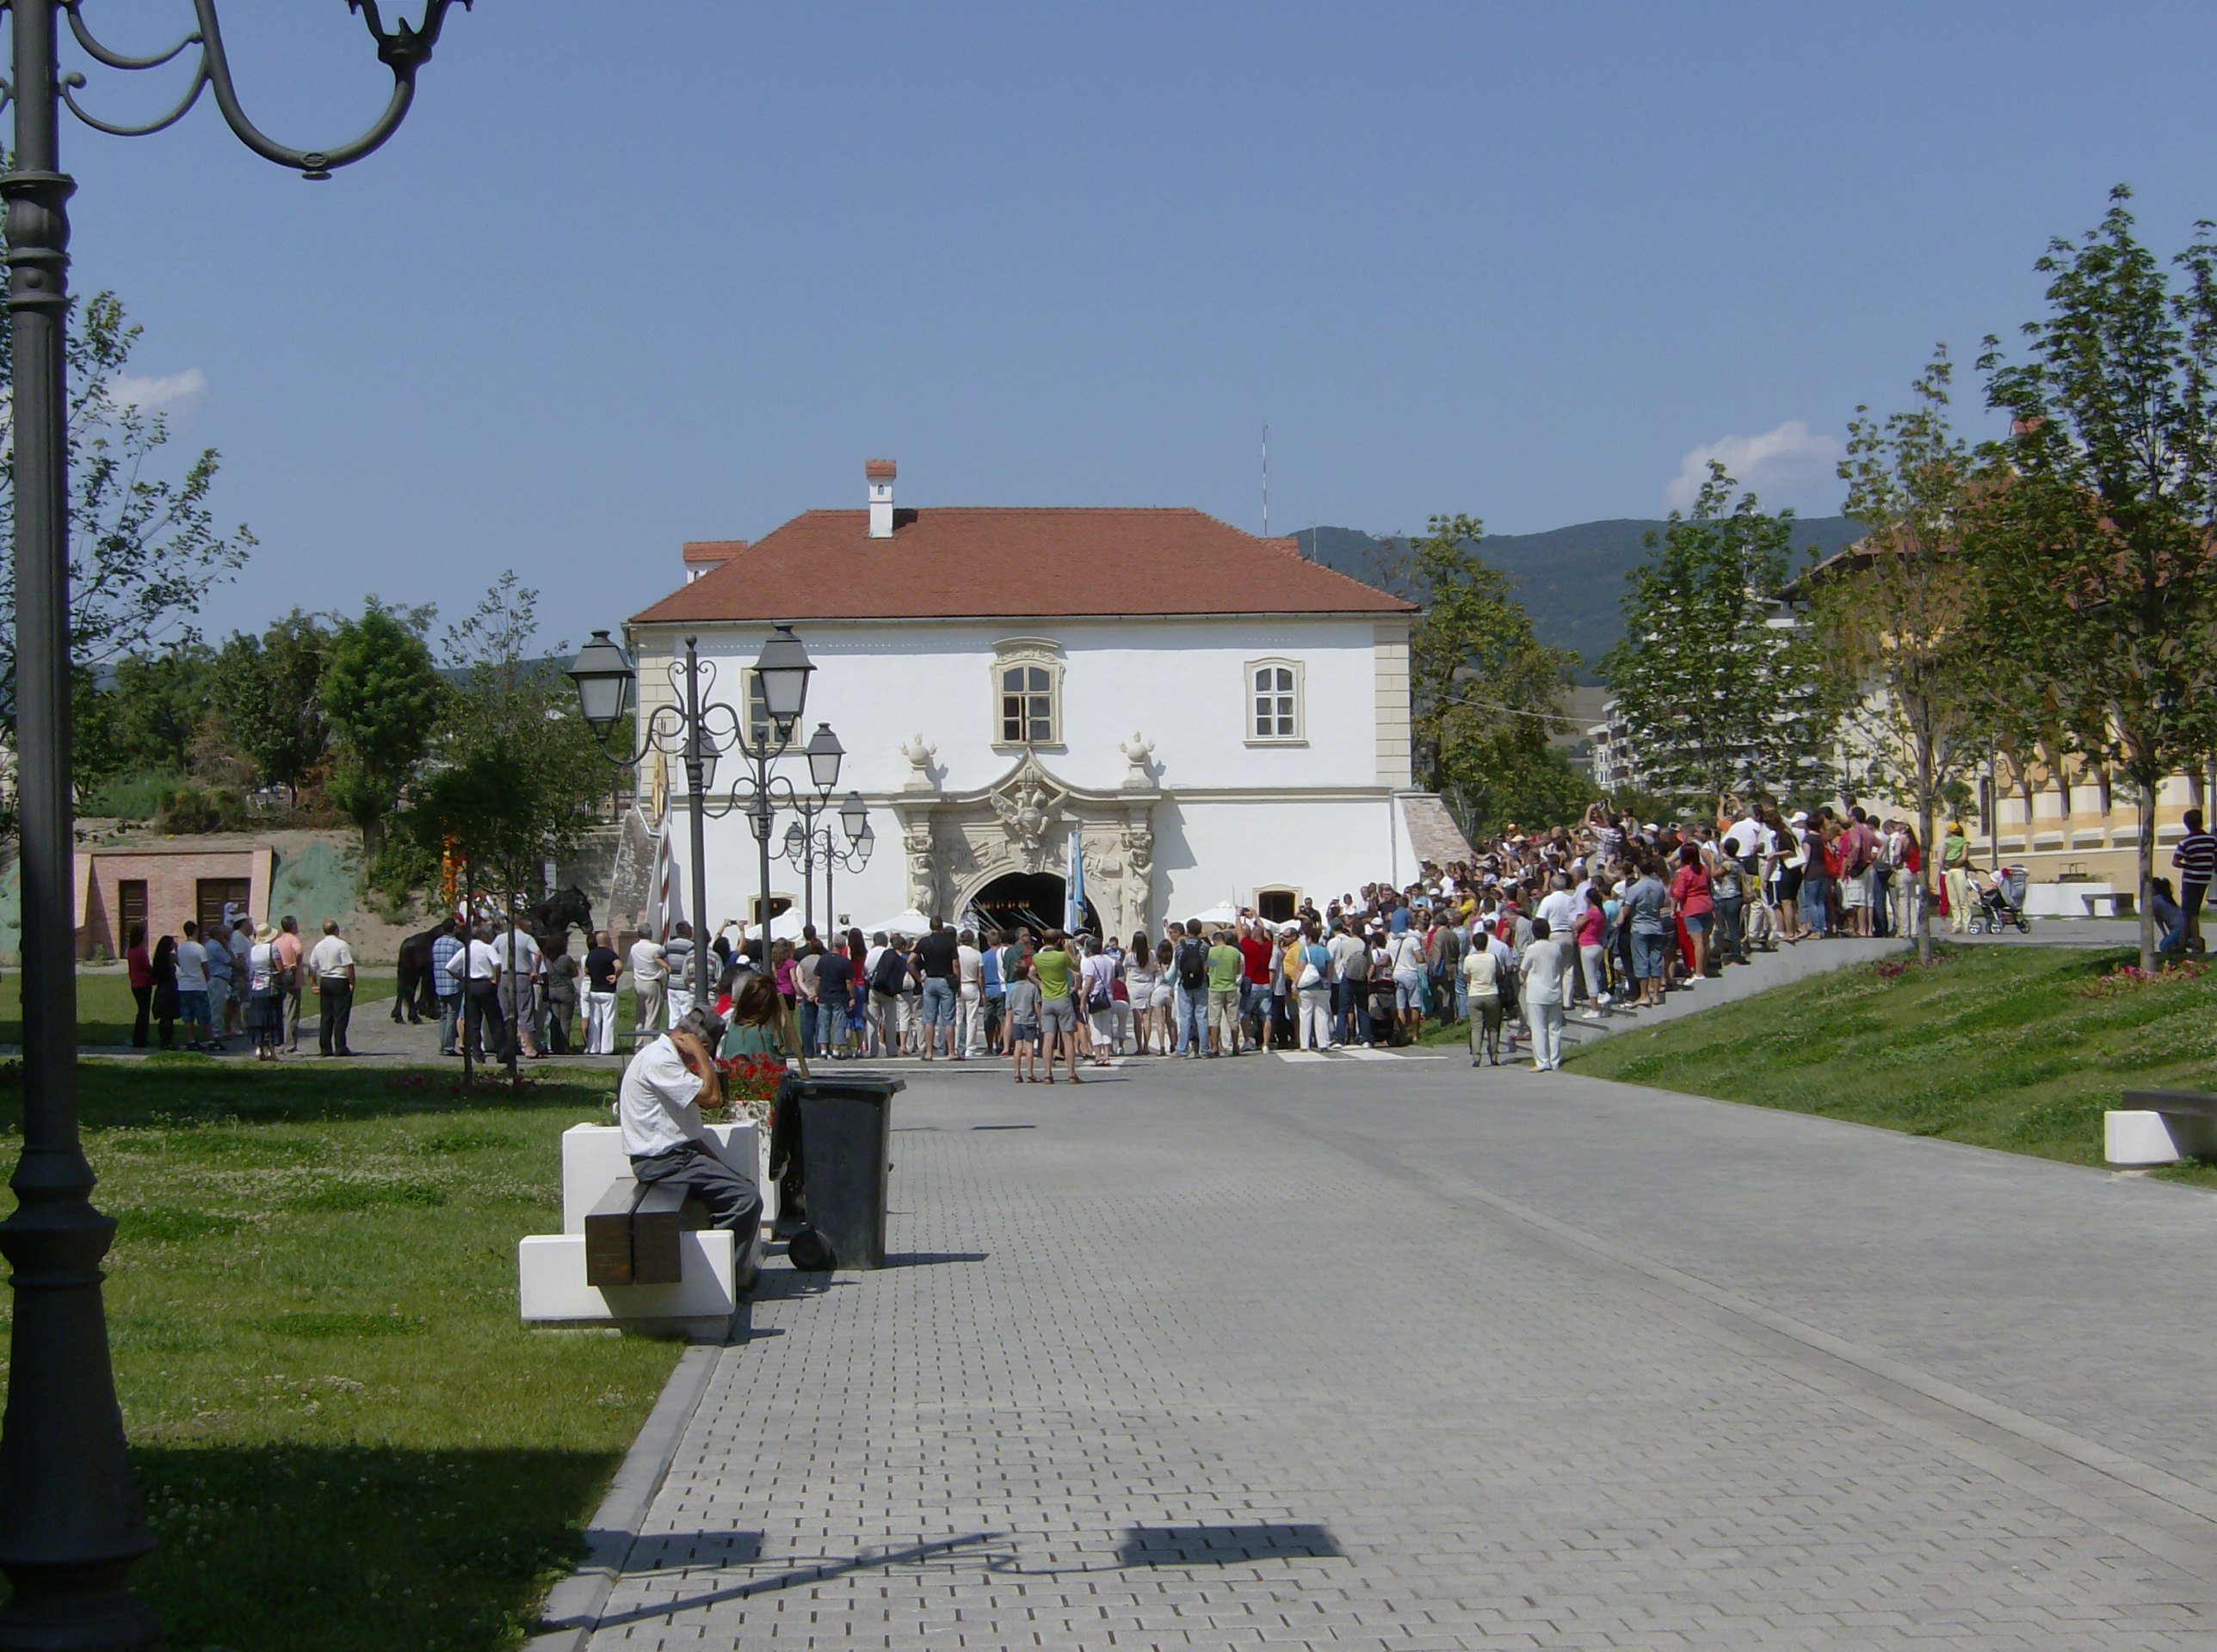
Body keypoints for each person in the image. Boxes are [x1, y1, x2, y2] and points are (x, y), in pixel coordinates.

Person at [620, 1007, 762, 1281]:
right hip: (663, 1163)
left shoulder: (664, 1057)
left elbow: (687, 1133)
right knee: (745, 1199)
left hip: (678, 1157)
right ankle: (725, 1278)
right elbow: (712, 1099)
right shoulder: (660, 1060)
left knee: (741, 1188)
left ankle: (727, 1269)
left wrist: (720, 1167)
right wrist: (701, 1055)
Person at [719, 972, 812, 1231]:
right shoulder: (760, 1034)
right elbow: (774, 1073)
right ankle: (797, 1188)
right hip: (764, 1106)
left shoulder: (733, 1030)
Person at [1031, 929, 1083, 1082]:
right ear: (1059, 941)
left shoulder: (1037, 958)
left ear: (1043, 941)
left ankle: (1047, 1074)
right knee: (1068, 1038)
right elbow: (1076, 967)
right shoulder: (1062, 956)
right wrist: (1068, 949)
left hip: (1047, 999)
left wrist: (1040, 984)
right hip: (1062, 997)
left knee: (1048, 1038)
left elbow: (1031, 973)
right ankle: (1071, 1073)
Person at [1520, 916, 1568, 1071]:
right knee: (1555, 1028)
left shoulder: (1532, 948)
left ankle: (1542, 1061)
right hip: (1554, 990)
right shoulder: (1556, 948)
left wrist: (1523, 980)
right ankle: (1555, 1060)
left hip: (1536, 992)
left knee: (1538, 1028)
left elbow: (1523, 969)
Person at [914, 915, 960, 1061]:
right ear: (942, 926)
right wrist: (958, 982)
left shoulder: (924, 941)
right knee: (948, 1018)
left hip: (930, 980)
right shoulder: (950, 942)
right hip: (945, 980)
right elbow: (956, 965)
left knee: (929, 1019)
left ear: (930, 926)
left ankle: (929, 1052)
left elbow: (910, 961)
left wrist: (919, 977)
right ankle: (951, 1051)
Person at [307, 920, 356, 1057]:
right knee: (340, 1015)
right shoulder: (342, 945)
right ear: (337, 930)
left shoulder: (318, 946)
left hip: (325, 980)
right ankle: (340, 1046)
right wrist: (352, 982)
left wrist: (313, 984)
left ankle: (325, 1047)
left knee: (326, 1015)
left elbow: (312, 967)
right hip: (339, 980)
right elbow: (348, 966)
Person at [1669, 843, 1715, 983]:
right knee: (1705, 940)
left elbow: (1679, 893)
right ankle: (1703, 969)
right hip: (1707, 905)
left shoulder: (1683, 873)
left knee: (1698, 942)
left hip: (1692, 908)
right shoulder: (1704, 869)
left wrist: (1673, 903)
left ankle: (1698, 973)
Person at [2172, 808, 2216, 952]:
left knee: (2191, 913)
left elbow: (2176, 862)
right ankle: (2182, 942)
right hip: (2204, 879)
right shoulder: (2211, 840)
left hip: (2190, 879)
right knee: (2190, 911)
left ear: (2186, 824)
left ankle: (2197, 942)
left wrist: (2188, 865)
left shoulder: (2185, 842)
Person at [1463, 926, 1504, 1065]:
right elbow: (1499, 974)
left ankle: (1476, 1056)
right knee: (1492, 1028)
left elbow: (1467, 977)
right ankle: (1494, 1056)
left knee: (1476, 1027)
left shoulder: (1469, 959)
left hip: (1475, 994)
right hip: (1491, 993)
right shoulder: (1492, 958)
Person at [465, 922, 506, 1061]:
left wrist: (462, 978)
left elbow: (450, 967)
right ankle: (501, 1052)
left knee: (474, 1022)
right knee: (495, 1020)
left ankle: (477, 1053)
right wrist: (496, 979)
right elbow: (497, 964)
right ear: (483, 935)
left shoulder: (467, 948)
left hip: (471, 984)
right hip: (486, 983)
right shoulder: (487, 948)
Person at [1170, 922, 1210, 1057]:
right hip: (1201, 982)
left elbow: (1177, 965)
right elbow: (1206, 963)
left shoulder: (1179, 946)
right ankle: (1204, 1049)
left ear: (1187, 930)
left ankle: (1182, 1049)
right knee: (1202, 1016)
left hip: (1185, 982)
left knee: (1185, 1017)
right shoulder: (1204, 946)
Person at [245, 923, 286, 1061]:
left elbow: (252, 970)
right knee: (271, 1018)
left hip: (256, 986)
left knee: (258, 1018)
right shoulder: (272, 948)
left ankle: (259, 1047)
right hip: (270, 986)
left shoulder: (253, 949)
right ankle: (271, 1050)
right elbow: (279, 968)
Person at [1294, 924, 1335, 1051]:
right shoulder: (1325, 951)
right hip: (1322, 986)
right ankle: (1323, 1043)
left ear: (1310, 938)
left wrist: (1295, 983)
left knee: (1305, 1015)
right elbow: (1330, 967)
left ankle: (1304, 1044)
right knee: (1322, 1014)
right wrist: (1328, 981)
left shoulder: (1305, 951)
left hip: (1307, 987)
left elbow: (1300, 968)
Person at [582, 930, 621, 1055]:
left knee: (595, 1020)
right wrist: (616, 976)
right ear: (608, 940)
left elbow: (587, 970)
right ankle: (606, 1048)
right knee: (608, 1020)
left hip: (594, 990)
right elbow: (619, 965)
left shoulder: (591, 955)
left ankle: (593, 1047)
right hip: (608, 991)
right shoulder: (610, 954)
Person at [432, 920, 466, 1057]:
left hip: (440, 983)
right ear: (454, 928)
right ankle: (448, 1046)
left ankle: (442, 1045)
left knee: (443, 1016)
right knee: (453, 1015)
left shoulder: (436, 943)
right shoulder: (458, 945)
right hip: (454, 984)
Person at [175, 921, 211, 1051]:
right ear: (196, 931)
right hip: (198, 985)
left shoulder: (181, 948)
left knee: (188, 1017)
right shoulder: (199, 948)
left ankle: (191, 1040)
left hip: (184, 985)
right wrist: (207, 980)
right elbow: (205, 967)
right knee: (204, 1016)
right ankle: (210, 1040)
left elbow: (179, 963)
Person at [1004, 964, 1043, 1083]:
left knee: (1018, 1046)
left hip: (1017, 1020)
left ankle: (1017, 1073)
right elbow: (1037, 1004)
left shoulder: (1012, 988)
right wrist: (1040, 1018)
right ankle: (1030, 1073)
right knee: (1029, 1046)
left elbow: (1009, 1006)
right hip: (1029, 1019)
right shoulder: (1032, 988)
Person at [275, 915, 306, 1052]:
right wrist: (295, 963)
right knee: (292, 1011)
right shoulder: (294, 939)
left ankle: (280, 1041)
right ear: (293, 926)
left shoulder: (277, 941)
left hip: (280, 976)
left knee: (282, 1010)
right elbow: (299, 951)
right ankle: (290, 1044)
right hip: (292, 978)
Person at [629, 929, 669, 1033]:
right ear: (650, 934)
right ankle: (648, 1040)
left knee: (640, 1015)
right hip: (652, 982)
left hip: (638, 982)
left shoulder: (634, 947)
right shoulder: (655, 948)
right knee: (652, 1016)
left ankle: (638, 1039)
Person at [203, 922, 235, 1049]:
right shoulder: (215, 947)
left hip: (219, 979)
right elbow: (230, 960)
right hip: (217, 979)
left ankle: (218, 1030)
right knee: (216, 1006)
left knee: (219, 1006)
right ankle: (216, 1033)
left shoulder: (214, 945)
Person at [1941, 820, 1973, 936]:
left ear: (1950, 831)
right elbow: (1964, 857)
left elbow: (1941, 857)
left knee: (1953, 900)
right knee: (1963, 899)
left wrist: (1947, 865)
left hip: (1949, 871)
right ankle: (1966, 924)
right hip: (1960, 869)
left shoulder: (1946, 842)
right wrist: (1957, 863)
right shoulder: (1964, 842)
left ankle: (1956, 924)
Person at [150, 933, 180, 1051]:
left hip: (161, 988)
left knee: (164, 1017)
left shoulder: (158, 958)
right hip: (170, 988)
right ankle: (169, 1041)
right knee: (169, 1017)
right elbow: (181, 964)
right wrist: (177, 950)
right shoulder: (171, 957)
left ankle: (164, 1041)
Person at [125, 922, 153, 1048]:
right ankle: (141, 1039)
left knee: (141, 1011)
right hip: (144, 983)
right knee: (144, 1013)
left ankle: (138, 1038)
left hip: (135, 984)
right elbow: (146, 966)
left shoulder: (130, 951)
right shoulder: (141, 951)